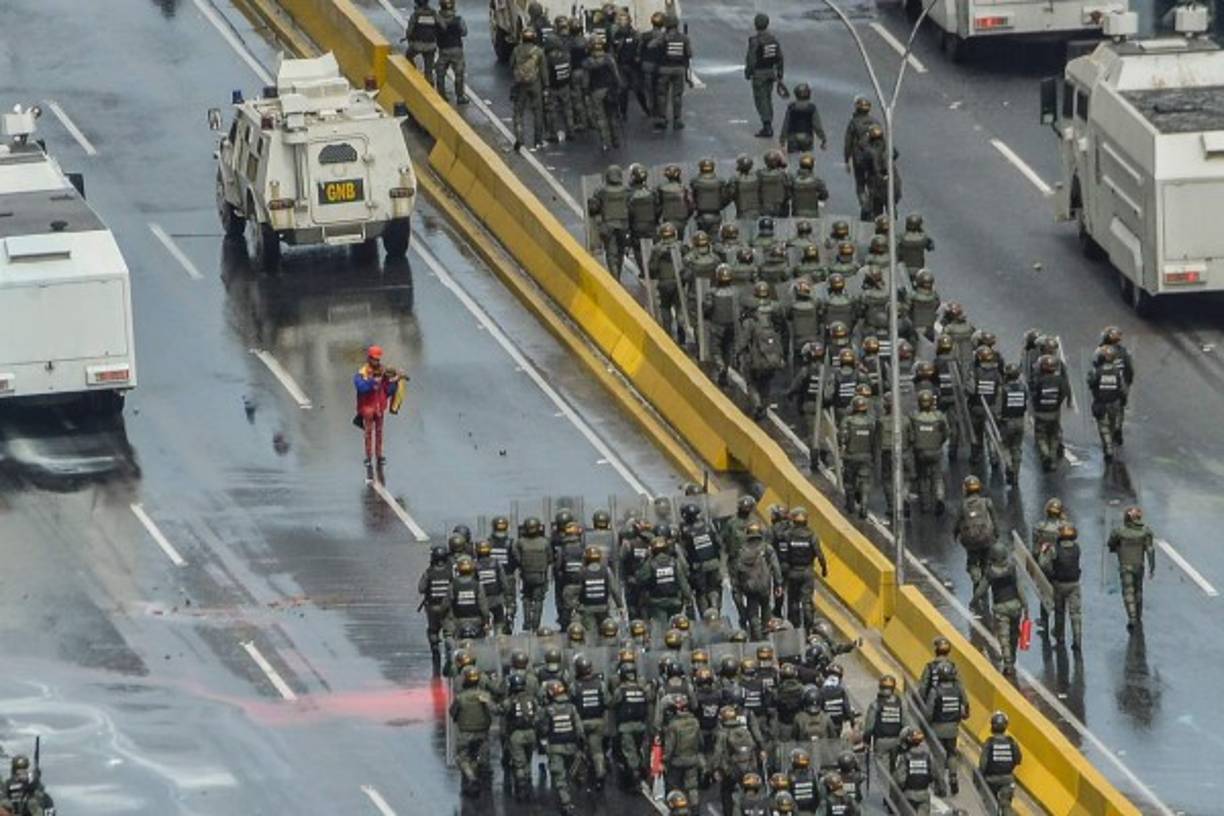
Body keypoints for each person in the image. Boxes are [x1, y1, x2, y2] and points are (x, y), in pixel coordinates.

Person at [537, 680, 586, 815]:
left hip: (555, 747)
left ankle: (566, 803)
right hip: (571, 745)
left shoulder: (548, 710)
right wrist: (582, 745)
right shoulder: (571, 708)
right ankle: (578, 784)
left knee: (559, 776)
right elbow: (579, 729)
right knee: (573, 771)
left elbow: (542, 728)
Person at [353, 345, 402, 476]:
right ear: (369, 358)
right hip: (367, 408)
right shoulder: (362, 373)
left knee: (379, 432)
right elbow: (361, 387)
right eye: (374, 359)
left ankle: (379, 456)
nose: (377, 362)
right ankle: (368, 457)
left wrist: (395, 382)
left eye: (378, 359)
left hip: (379, 408)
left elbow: (387, 390)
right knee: (369, 433)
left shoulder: (383, 372)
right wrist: (372, 382)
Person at [977, 543, 1025, 676]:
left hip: (1000, 607)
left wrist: (974, 601)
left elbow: (981, 589)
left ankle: (1008, 663)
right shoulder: (1012, 568)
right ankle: (1013, 659)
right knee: (1014, 634)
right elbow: (1019, 588)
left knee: (1004, 637)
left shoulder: (990, 572)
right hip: (1015, 606)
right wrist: (1025, 606)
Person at [922, 661, 968, 795]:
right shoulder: (957, 689)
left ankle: (941, 786)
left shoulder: (935, 691)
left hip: (937, 728)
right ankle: (953, 776)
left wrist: (926, 723)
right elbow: (965, 706)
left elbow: (929, 711)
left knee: (938, 757)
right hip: (953, 728)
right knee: (951, 753)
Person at [1107, 506, 1155, 632]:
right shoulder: (1145, 532)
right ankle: (1138, 615)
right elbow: (1150, 550)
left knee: (1128, 591)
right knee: (1138, 590)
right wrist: (1152, 566)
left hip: (1125, 565)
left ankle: (1132, 617)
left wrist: (1115, 548)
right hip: (1139, 565)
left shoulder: (1119, 532)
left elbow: (1111, 543)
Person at [739, 297, 788, 419]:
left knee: (751, 383)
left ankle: (757, 404)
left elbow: (743, 342)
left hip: (755, 361)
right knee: (766, 384)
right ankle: (764, 407)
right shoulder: (770, 322)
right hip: (771, 360)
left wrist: (739, 354)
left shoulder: (749, 323)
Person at [450, 667, 495, 796]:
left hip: (465, 733)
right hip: (482, 732)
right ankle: (477, 774)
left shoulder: (460, 698)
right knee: (479, 756)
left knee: (462, 757)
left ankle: (471, 777)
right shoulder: (485, 696)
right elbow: (494, 709)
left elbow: (452, 713)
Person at [733, 523, 783, 639]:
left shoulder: (742, 550)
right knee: (766, 608)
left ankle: (757, 636)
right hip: (764, 586)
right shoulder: (767, 548)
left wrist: (738, 589)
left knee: (752, 612)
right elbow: (776, 567)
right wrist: (778, 584)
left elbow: (736, 571)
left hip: (749, 587)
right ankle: (766, 633)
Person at [954, 475, 997, 610]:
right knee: (986, 563)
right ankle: (984, 583)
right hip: (987, 540)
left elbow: (957, 523)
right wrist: (996, 535)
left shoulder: (963, 505)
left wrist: (955, 534)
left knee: (972, 562)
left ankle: (976, 577)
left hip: (971, 541)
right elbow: (995, 521)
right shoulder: (987, 502)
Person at [1038, 522, 1083, 651]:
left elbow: (1043, 564)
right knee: (1076, 613)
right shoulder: (1076, 548)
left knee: (1059, 612)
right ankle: (1077, 640)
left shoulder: (1054, 549)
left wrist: (1043, 551)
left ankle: (1060, 637)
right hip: (1074, 584)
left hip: (1059, 584)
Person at [782, 507, 826, 628]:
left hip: (793, 571)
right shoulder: (812, 536)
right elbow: (820, 555)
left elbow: (783, 555)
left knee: (793, 600)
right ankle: (809, 626)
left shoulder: (787, 535)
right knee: (807, 600)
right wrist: (824, 569)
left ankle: (794, 626)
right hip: (807, 572)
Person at [637, 537, 695, 627]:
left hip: (657, 602)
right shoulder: (674, 562)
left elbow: (640, 578)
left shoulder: (650, 564)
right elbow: (682, 582)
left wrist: (646, 558)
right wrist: (689, 597)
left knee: (662, 628)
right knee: (677, 626)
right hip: (675, 601)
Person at [571, 655, 610, 790]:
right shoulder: (600, 684)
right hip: (597, 721)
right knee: (597, 750)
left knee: (579, 749)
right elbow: (606, 702)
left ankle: (579, 777)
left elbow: (571, 704)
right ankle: (600, 773)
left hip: (580, 722)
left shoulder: (574, 685)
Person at [500, 672, 539, 801]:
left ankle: (521, 788)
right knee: (528, 760)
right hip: (531, 733)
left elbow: (499, 710)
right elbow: (538, 713)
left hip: (516, 734)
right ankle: (528, 785)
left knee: (519, 764)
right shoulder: (532, 699)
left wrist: (486, 701)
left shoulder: (510, 701)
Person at [680, 503, 724, 615]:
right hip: (714, 564)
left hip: (697, 567)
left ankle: (705, 615)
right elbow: (719, 544)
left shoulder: (686, 532)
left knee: (701, 592)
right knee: (714, 588)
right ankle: (716, 608)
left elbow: (683, 552)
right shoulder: (708, 527)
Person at [611, 662, 651, 786]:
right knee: (640, 749)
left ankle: (635, 777)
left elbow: (613, 704)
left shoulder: (621, 690)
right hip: (641, 725)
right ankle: (644, 769)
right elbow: (649, 701)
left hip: (625, 727)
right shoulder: (642, 689)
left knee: (630, 753)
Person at [588, 164, 631, 279]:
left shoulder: (601, 191)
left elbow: (593, 209)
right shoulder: (627, 190)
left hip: (608, 225)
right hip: (623, 225)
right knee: (621, 252)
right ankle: (618, 273)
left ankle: (615, 277)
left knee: (611, 253)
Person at [908, 390, 948, 514]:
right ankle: (940, 498)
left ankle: (925, 505)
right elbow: (945, 433)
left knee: (923, 478)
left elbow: (911, 435)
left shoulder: (914, 416)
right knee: (937, 477)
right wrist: (938, 443)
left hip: (920, 453)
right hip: (935, 451)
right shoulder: (939, 416)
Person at [1087, 344, 1129, 462]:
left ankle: (1108, 448)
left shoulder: (1097, 371)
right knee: (1111, 425)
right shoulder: (1117, 372)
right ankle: (1110, 443)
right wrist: (1123, 400)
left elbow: (1091, 383)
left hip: (1101, 403)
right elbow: (1122, 389)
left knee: (1103, 427)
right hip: (1114, 403)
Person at [838, 396, 877, 519]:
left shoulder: (847, 421)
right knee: (865, 481)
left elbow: (842, 438)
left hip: (851, 457)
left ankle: (850, 505)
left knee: (849, 482)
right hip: (866, 455)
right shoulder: (871, 422)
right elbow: (875, 441)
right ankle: (864, 505)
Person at [1031, 353, 1071, 471]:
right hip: (1054, 413)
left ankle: (1045, 455)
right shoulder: (1059, 380)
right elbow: (1063, 394)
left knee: (1041, 437)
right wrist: (1057, 404)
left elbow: (1034, 395)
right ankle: (1052, 459)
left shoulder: (1039, 380)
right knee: (1054, 437)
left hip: (1040, 414)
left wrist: (1038, 407)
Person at [649, 221, 688, 343]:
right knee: (680, 308)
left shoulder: (656, 249)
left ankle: (667, 335)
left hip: (663, 283)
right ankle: (682, 336)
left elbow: (652, 269)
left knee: (665, 308)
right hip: (678, 283)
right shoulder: (681, 246)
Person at [662, 696, 704, 807]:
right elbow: (701, 741)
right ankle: (695, 809)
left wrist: (664, 759)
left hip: (677, 761)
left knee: (674, 787)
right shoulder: (695, 722)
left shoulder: (673, 725)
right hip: (692, 759)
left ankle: (677, 809)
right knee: (692, 787)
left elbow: (670, 746)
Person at [979, 711, 1022, 816]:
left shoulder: (989, 743)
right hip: (1008, 780)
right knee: (1005, 804)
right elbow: (1018, 759)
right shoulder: (1012, 742)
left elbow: (982, 765)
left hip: (991, 780)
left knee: (990, 805)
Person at [654, 14, 691, 131]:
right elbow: (689, 54)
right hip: (679, 70)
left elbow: (652, 46)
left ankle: (662, 118)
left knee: (662, 95)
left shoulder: (663, 37)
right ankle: (677, 119)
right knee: (677, 96)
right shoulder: (684, 38)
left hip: (664, 69)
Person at [514, 516, 552, 631]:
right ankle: (536, 625)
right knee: (538, 600)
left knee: (526, 598)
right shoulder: (545, 542)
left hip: (526, 575)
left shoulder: (520, 542)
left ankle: (527, 623)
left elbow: (516, 557)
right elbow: (550, 558)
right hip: (540, 575)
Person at [585, 39, 623, 151]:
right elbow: (616, 74)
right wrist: (619, 87)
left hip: (596, 91)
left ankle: (605, 142)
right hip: (610, 89)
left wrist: (586, 91)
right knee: (612, 115)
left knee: (600, 117)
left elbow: (586, 80)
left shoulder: (589, 62)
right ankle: (616, 140)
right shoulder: (609, 59)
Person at [418, 545, 451, 667]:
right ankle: (450, 655)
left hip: (432, 608)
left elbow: (421, 589)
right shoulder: (450, 572)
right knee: (449, 632)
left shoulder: (429, 573)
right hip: (447, 609)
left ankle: (435, 649)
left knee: (433, 631)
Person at [860, 124, 900, 221]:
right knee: (891, 205)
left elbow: (863, 163)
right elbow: (896, 154)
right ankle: (893, 225)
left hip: (876, 182)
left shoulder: (869, 151)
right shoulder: (888, 146)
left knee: (876, 209)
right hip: (891, 181)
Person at [577, 545, 621, 632]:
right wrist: (620, 606)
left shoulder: (582, 572)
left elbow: (577, 591)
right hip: (603, 608)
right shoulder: (606, 571)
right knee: (607, 631)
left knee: (590, 634)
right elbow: (614, 590)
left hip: (587, 609)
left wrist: (576, 607)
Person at [863, 674, 905, 765]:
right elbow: (905, 724)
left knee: (881, 770)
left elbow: (869, 728)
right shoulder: (900, 704)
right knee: (893, 767)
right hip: (897, 741)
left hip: (881, 742)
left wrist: (866, 741)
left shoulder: (875, 704)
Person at [843, 96, 878, 204]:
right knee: (872, 182)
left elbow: (848, 142)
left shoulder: (853, 123)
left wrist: (846, 160)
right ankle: (873, 204)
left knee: (860, 184)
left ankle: (865, 205)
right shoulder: (875, 122)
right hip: (873, 157)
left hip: (859, 157)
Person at [892, 728, 934, 815]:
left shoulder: (905, 757)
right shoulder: (927, 755)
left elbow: (900, 779)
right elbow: (933, 774)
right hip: (924, 794)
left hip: (908, 795)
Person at [434, 0, 468, 103]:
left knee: (440, 73)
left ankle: (441, 94)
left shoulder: (437, 20)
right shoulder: (458, 19)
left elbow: (434, 33)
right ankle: (460, 96)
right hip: (456, 49)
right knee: (459, 74)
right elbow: (464, 32)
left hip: (443, 50)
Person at [628, 164, 659, 271]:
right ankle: (653, 269)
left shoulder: (629, 193)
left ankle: (643, 270)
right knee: (654, 247)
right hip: (650, 224)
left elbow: (628, 211)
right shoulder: (652, 192)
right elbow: (657, 208)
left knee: (637, 248)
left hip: (636, 226)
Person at [474, 540, 509, 633]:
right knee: (499, 623)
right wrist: (507, 596)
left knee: (483, 624)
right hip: (496, 598)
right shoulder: (496, 563)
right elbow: (503, 581)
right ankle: (498, 636)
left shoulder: (474, 565)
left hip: (481, 601)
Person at [403, 0, 439, 83]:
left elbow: (409, 31)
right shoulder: (434, 13)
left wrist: (408, 38)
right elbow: (442, 26)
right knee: (428, 70)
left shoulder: (415, 14)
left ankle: (413, 72)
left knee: (408, 56)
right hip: (431, 45)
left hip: (417, 45)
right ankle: (430, 86)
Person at [690, 158, 729, 235]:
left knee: (701, 236)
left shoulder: (695, 181)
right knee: (714, 237)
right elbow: (725, 198)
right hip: (716, 214)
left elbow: (693, 197)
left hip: (701, 215)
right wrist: (721, 205)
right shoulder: (720, 181)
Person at [658, 165, 695, 237]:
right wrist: (686, 217)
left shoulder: (660, 189)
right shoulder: (683, 188)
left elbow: (657, 206)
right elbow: (691, 206)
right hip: (681, 220)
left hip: (667, 220)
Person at [757, 150, 793, 218]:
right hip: (781, 209)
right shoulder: (785, 175)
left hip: (764, 209)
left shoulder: (759, 174)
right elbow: (789, 191)